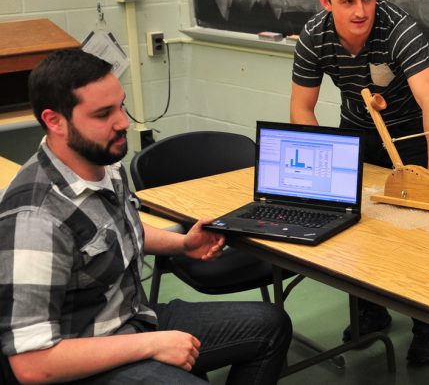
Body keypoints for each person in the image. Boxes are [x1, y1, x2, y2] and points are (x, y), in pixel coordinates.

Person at [0, 50, 292, 384]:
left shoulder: (103, 162)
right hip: (83, 356)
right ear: (55, 121)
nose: (123, 121)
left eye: (121, 105)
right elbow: (32, 365)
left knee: (271, 325)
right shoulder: (34, 219)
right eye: (103, 113)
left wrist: (183, 244)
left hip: (132, 318)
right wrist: (150, 344)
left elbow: (117, 229)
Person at [290, 0, 429, 365]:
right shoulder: (313, 36)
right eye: (348, 1)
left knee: (418, 234)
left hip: (412, 134)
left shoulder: (398, 28)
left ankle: (428, 324)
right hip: (356, 131)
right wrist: (320, 175)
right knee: (353, 225)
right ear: (326, 2)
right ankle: (369, 312)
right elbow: (302, 109)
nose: (360, 11)